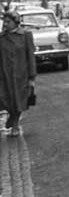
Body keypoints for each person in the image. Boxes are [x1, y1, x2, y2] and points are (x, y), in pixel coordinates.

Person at [0, 9, 37, 137]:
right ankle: (11, 115)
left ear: (16, 23)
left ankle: (15, 124)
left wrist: (32, 76)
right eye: (4, 22)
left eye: (8, 22)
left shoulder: (26, 35)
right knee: (4, 99)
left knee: (19, 100)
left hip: (21, 75)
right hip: (4, 76)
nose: (5, 24)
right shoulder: (1, 37)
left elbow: (31, 56)